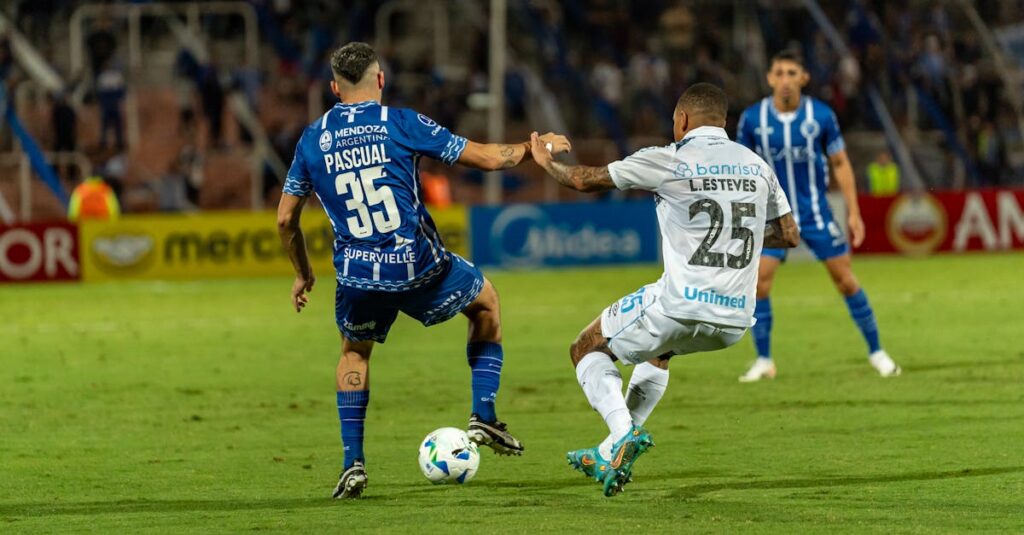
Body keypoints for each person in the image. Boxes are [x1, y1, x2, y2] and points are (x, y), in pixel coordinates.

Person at [276, 42, 570, 500]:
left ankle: (353, 464)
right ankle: (483, 414)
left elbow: (284, 220)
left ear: (334, 88)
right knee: (486, 302)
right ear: (380, 80)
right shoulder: (400, 123)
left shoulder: (313, 138)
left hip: (357, 277)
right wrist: (537, 148)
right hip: (416, 267)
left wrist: (302, 272)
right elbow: (491, 159)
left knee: (354, 354)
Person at [530, 83, 799, 496]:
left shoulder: (668, 159)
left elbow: (584, 181)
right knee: (660, 351)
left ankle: (621, 435)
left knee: (585, 347)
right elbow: (788, 234)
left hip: (678, 305)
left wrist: (544, 161)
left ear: (682, 120)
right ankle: (612, 451)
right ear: (723, 122)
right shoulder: (757, 165)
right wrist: (736, 234)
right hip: (733, 323)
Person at [735, 50, 901, 382]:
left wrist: (854, 212)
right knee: (759, 286)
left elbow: (840, 163)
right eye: (779, 73)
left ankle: (877, 352)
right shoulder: (752, 120)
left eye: (791, 73)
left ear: (803, 78)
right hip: (772, 218)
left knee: (846, 280)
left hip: (815, 215)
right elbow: (741, 169)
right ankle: (764, 360)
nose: (785, 80)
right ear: (770, 78)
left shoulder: (821, 116)